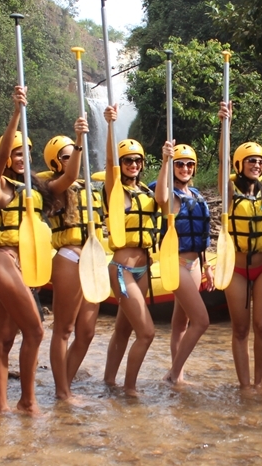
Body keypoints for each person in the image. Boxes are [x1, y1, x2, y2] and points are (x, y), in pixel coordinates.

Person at [0, 86, 50, 414]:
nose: (22, 159)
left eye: (27, 154)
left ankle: (1, 408)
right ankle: (27, 401)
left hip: (24, 267)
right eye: (17, 154)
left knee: (5, 340)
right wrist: (16, 114)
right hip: (2, 262)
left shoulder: (32, 189)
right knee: (35, 330)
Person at [217, 101, 262, 390]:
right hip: (237, 267)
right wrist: (225, 125)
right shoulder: (230, 190)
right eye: (251, 161)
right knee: (240, 329)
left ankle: (260, 381)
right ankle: (244, 386)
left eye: (260, 161)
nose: (256, 165)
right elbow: (221, 162)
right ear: (240, 164)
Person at [101, 103, 160, 396]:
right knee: (147, 333)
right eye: (127, 161)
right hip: (123, 270)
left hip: (144, 270)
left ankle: (109, 382)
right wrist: (111, 126)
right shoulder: (115, 191)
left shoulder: (148, 193)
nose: (133, 165)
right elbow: (110, 165)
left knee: (123, 331)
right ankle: (130, 389)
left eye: (137, 161)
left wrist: (168, 158)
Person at [43, 120, 103, 402]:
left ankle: (64, 383)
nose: (72, 160)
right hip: (68, 258)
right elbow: (69, 176)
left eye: (74, 154)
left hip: (93, 259)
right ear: (57, 163)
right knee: (64, 329)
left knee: (87, 332)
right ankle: (63, 392)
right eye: (65, 156)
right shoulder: (54, 186)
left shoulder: (91, 188)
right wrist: (79, 138)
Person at [154, 142, 212, 385]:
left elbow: (202, 236)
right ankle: (174, 374)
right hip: (176, 263)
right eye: (180, 164)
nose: (185, 168)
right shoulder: (171, 197)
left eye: (189, 164)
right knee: (202, 321)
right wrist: (166, 161)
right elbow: (160, 196)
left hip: (195, 264)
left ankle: (179, 374)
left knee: (181, 323)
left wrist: (207, 265)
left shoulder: (196, 195)